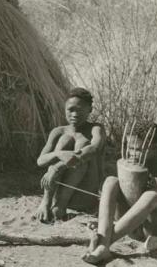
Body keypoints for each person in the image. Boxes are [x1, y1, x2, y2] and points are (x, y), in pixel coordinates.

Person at [82, 122, 157, 264]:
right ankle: (103, 240)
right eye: (129, 148)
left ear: (154, 148)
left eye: (137, 149)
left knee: (153, 195)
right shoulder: (126, 164)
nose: (131, 153)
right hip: (129, 230)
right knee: (111, 181)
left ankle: (103, 243)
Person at [33, 87, 106, 223]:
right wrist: (60, 154)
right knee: (65, 139)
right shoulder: (58, 131)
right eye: (70, 109)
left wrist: (57, 167)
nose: (74, 114)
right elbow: (40, 161)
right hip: (57, 192)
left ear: (89, 109)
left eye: (80, 110)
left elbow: (93, 148)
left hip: (84, 195)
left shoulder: (96, 129)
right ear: (64, 109)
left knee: (82, 144)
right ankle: (46, 202)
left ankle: (60, 206)